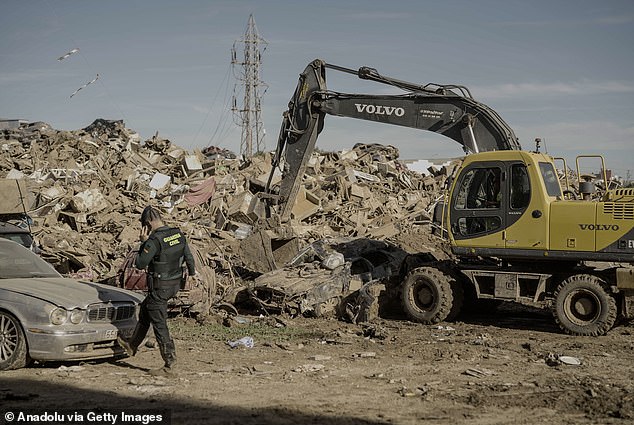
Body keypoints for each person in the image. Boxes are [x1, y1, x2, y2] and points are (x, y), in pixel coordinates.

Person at [118, 206, 196, 377]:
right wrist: (192, 274)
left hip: (160, 286)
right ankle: (131, 346)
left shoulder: (154, 240)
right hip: (174, 285)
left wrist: (143, 241)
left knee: (160, 325)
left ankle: (169, 364)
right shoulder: (177, 234)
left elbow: (140, 263)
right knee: (146, 310)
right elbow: (189, 257)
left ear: (147, 224)